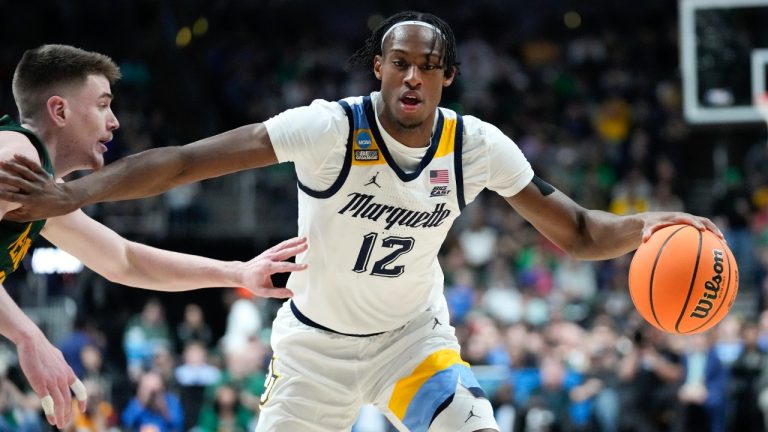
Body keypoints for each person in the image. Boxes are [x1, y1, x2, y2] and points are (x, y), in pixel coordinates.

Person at [0, 14, 721, 432]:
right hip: (312, 350)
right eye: (399, 63)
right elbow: (187, 161)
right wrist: (81, 191)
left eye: (427, 67)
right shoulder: (326, 129)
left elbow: (581, 233)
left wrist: (657, 222)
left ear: (447, 77)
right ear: (378, 68)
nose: (412, 77)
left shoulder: (476, 146)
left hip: (411, 342)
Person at [0, 45, 308, 430]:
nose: (114, 122)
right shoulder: (15, 156)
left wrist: (236, 272)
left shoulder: (40, 184)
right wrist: (30, 336)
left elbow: (124, 260)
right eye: (102, 105)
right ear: (60, 111)